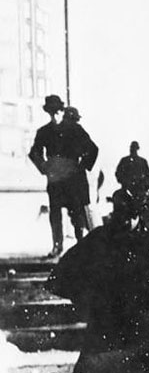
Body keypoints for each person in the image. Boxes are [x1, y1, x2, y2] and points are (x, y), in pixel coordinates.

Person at [47, 189, 149, 373]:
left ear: (137, 216)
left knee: (137, 356)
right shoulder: (102, 237)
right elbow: (68, 267)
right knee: (104, 356)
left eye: (129, 217)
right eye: (121, 215)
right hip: (109, 312)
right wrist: (84, 297)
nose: (124, 221)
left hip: (138, 312)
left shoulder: (148, 243)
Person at [28, 97, 99, 257]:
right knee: (55, 213)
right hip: (55, 180)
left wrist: (82, 167)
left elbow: (93, 149)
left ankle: (81, 245)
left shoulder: (75, 129)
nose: (54, 116)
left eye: (57, 112)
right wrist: (44, 167)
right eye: (51, 113)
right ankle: (57, 246)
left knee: (77, 212)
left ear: (62, 111)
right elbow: (34, 153)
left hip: (73, 179)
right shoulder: (44, 132)